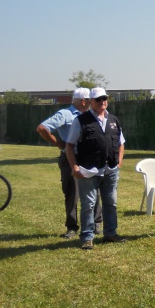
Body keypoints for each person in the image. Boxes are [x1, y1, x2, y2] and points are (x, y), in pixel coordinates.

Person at [65, 87, 126, 251]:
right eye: (98, 99)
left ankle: (110, 233)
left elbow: (121, 143)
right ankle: (87, 237)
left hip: (110, 170)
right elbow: (69, 145)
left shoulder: (113, 120)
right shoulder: (81, 120)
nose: (102, 102)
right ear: (90, 102)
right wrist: (74, 166)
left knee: (111, 203)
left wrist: (119, 162)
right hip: (89, 170)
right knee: (89, 204)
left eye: (104, 98)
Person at [37, 87, 103, 239]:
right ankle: (72, 227)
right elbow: (42, 128)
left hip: (89, 158)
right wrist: (58, 143)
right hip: (70, 157)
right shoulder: (65, 114)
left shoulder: (92, 114)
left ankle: (96, 223)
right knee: (72, 193)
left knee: (94, 190)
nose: (94, 102)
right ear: (84, 101)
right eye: (91, 100)